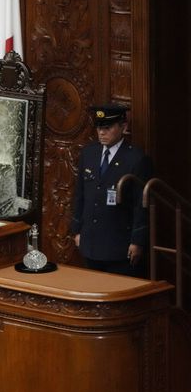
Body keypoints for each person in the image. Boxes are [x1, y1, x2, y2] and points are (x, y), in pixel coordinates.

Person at [70, 104, 151, 277]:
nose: (101, 132)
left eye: (107, 128)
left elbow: (141, 205)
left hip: (119, 245)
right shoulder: (89, 153)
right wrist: (77, 230)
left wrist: (137, 241)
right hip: (91, 242)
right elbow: (80, 194)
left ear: (123, 127)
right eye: (99, 127)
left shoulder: (136, 158)